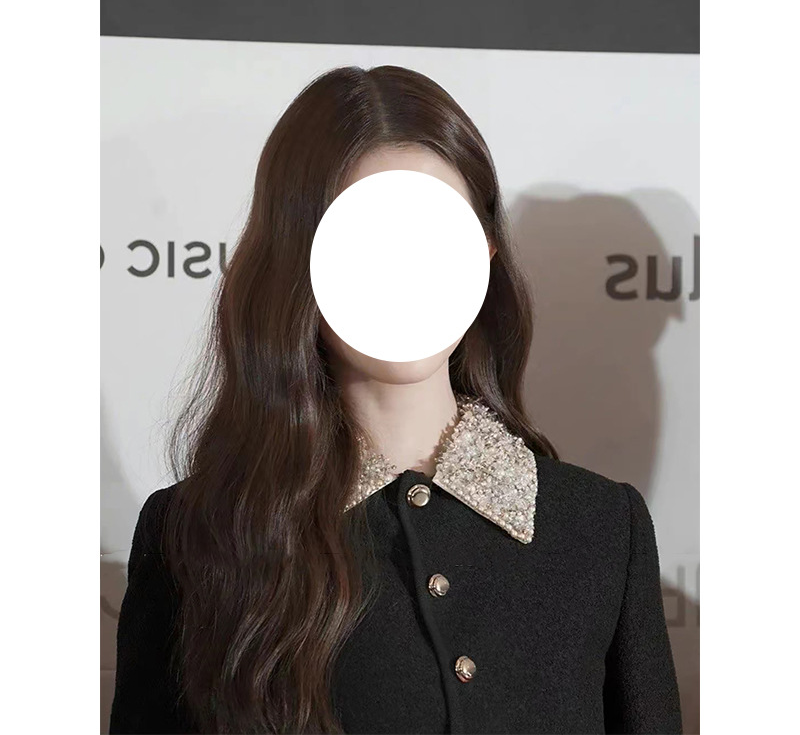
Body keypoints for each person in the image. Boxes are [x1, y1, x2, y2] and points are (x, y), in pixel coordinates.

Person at [109, 65, 683, 734]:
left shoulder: (599, 530)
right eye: (366, 242)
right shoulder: (197, 537)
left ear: (486, 253)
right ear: (297, 261)